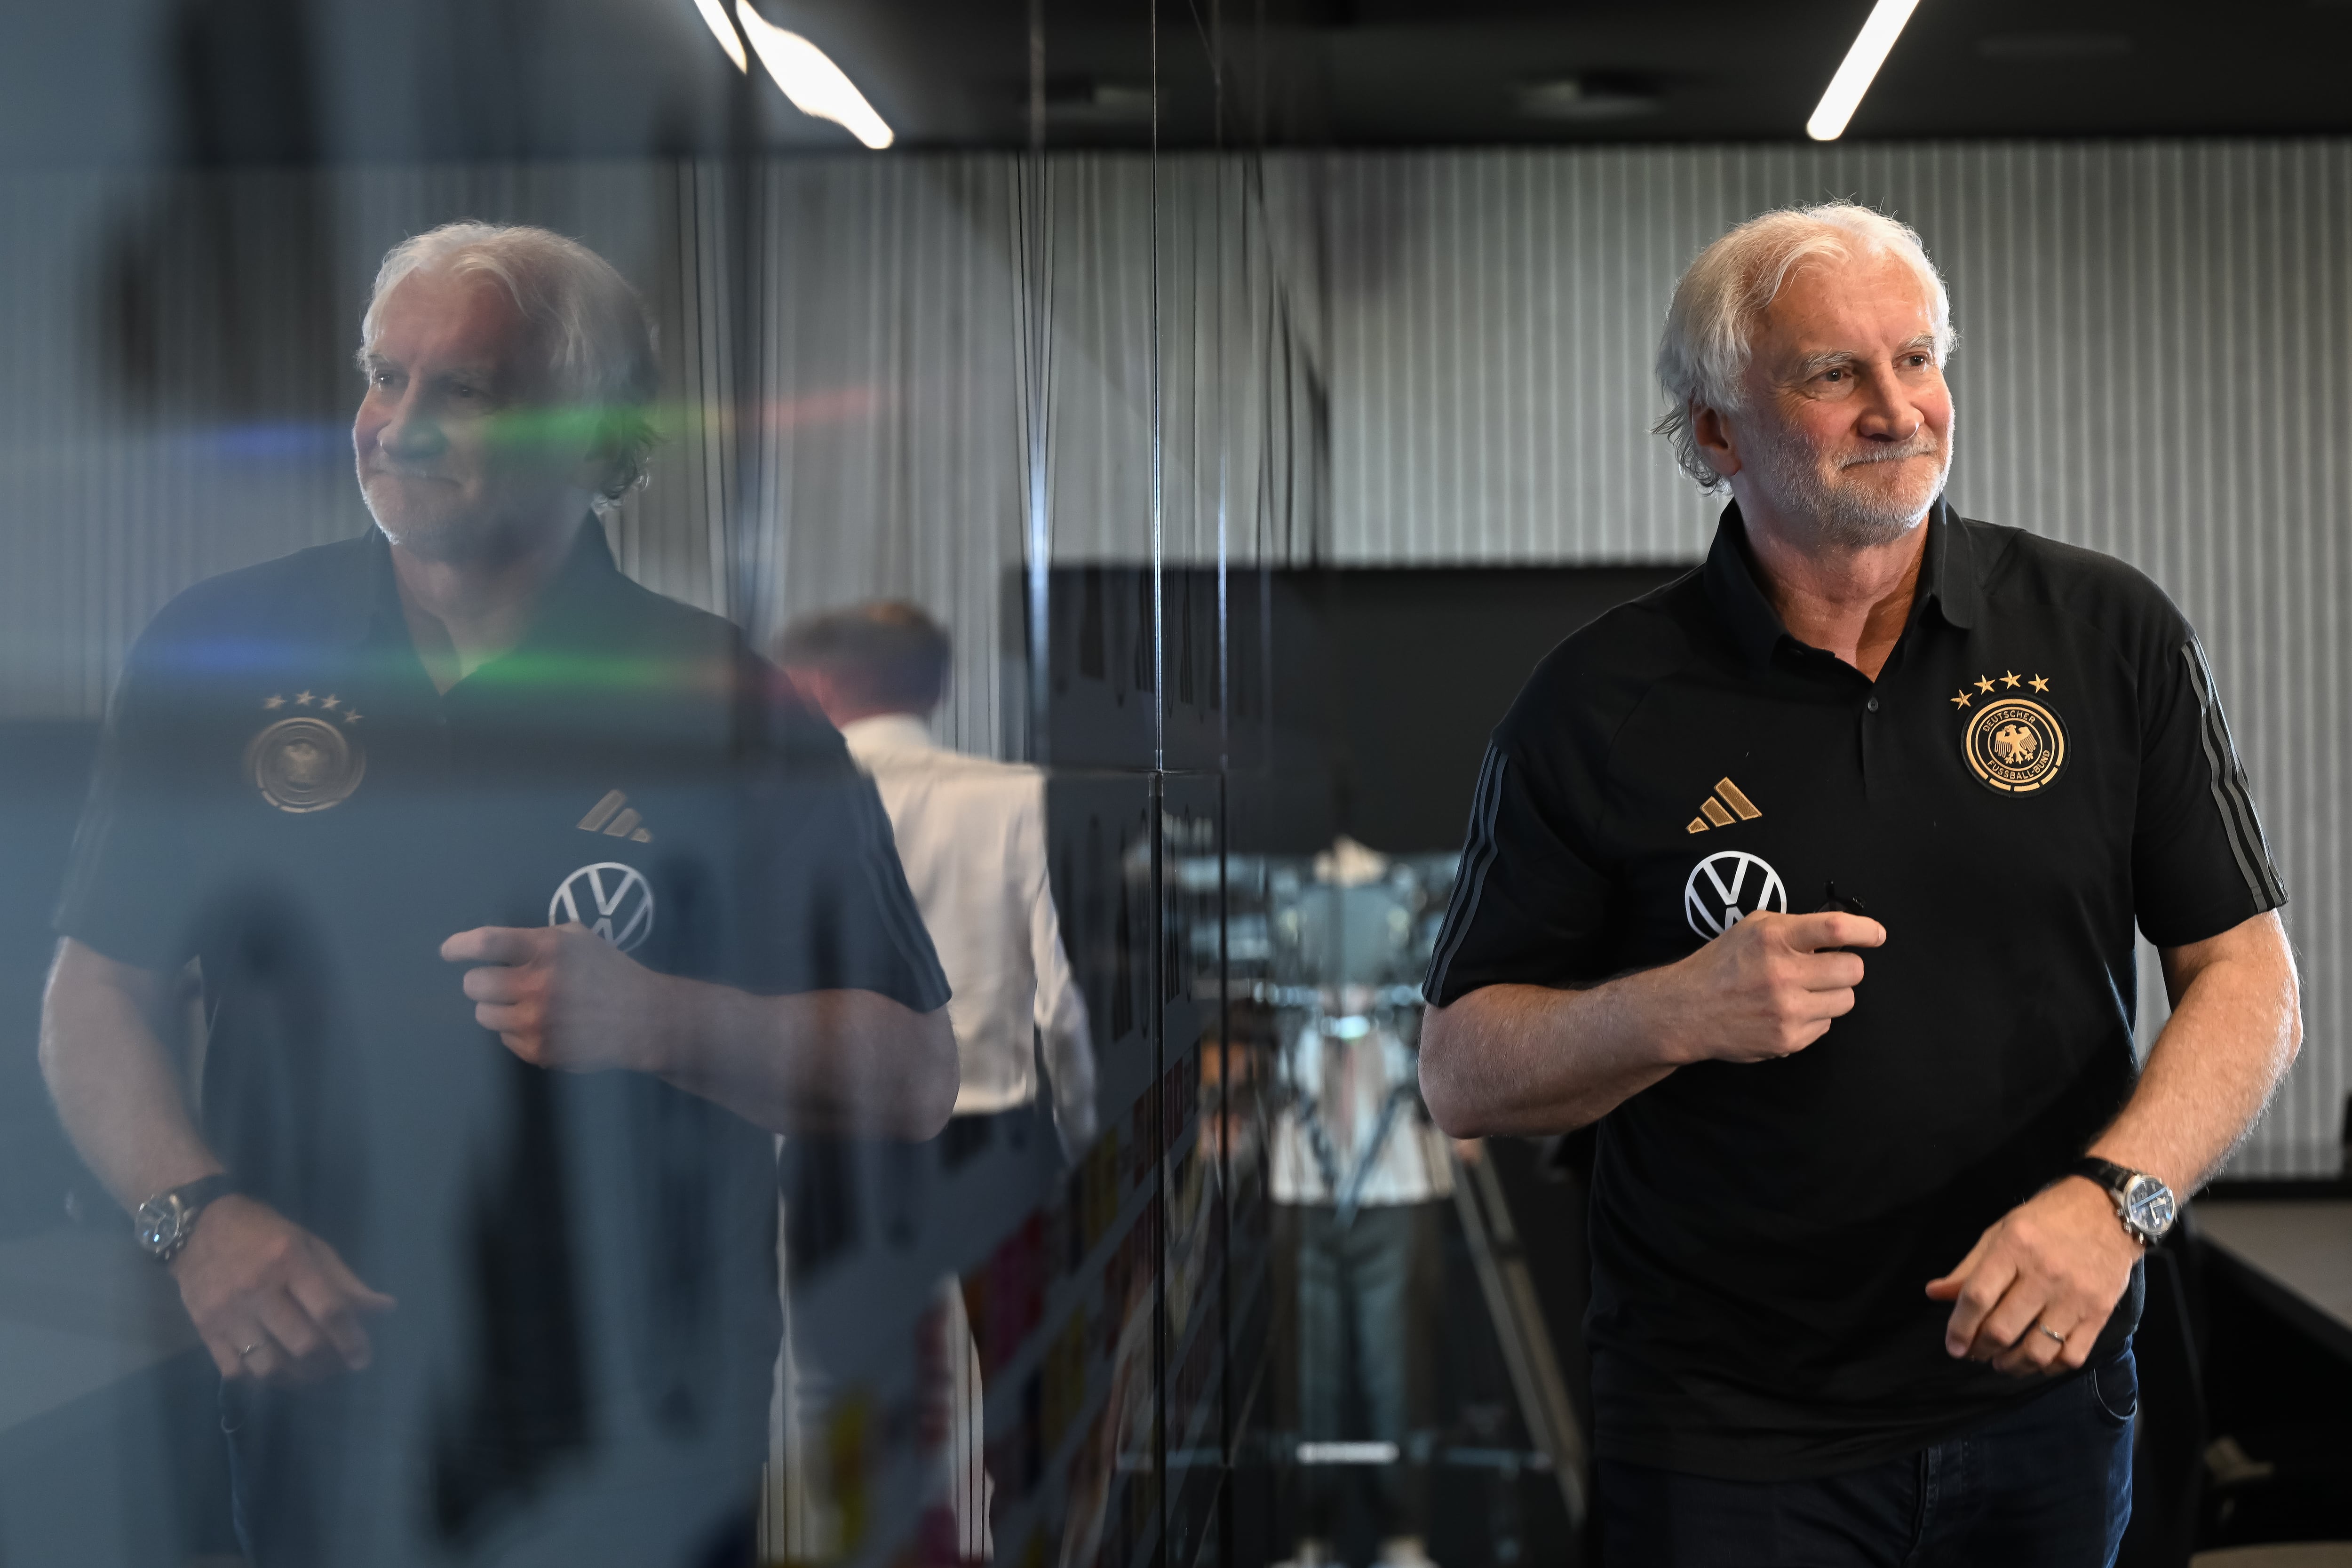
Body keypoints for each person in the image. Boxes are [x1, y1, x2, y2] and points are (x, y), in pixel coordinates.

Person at [40, 222, 955, 1568]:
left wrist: (660, 1020)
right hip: (310, 1400)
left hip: (635, 1440)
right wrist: (196, 1215)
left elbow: (915, 1069)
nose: (396, 425)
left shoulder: (724, 708)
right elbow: (95, 990)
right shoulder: (222, 652)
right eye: (381, 376)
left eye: (463, 390)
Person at [1416, 202, 2302, 1566]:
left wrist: (2116, 1201)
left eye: (1920, 358)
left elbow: (2248, 977)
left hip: (2049, 1399)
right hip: (1725, 1436)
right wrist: (1674, 1008)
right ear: (1717, 433)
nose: (1900, 409)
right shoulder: (1597, 703)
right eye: (1834, 374)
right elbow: (1462, 1069)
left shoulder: (2104, 630)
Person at [775, 600, 1097, 1562]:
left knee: (867, 1416)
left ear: (818, 687)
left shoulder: (779, 804)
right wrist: (1081, 1142)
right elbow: (1065, 1004)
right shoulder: (1018, 796)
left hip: (840, 1145)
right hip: (995, 1139)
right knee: (1030, 1402)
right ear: (936, 686)